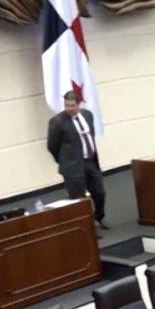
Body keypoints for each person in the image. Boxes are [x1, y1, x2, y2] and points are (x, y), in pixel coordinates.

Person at [47, 92, 107, 229]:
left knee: (99, 192)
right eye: (66, 105)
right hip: (72, 167)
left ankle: (99, 218)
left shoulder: (87, 115)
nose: (69, 109)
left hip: (91, 162)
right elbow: (52, 146)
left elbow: (90, 136)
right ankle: (87, 227)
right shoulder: (57, 122)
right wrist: (65, 161)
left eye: (72, 105)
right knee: (79, 200)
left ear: (79, 104)